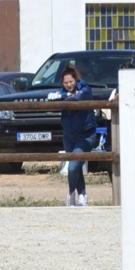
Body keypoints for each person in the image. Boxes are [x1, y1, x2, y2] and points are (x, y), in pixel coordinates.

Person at [48, 66, 97, 206]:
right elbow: (51, 98)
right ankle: (82, 194)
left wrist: (64, 97)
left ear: (75, 79)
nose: (69, 85)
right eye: (65, 82)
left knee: (73, 166)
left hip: (86, 136)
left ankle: (70, 193)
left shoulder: (85, 89)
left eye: (71, 81)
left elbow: (80, 97)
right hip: (69, 136)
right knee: (77, 167)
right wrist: (60, 96)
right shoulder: (62, 92)